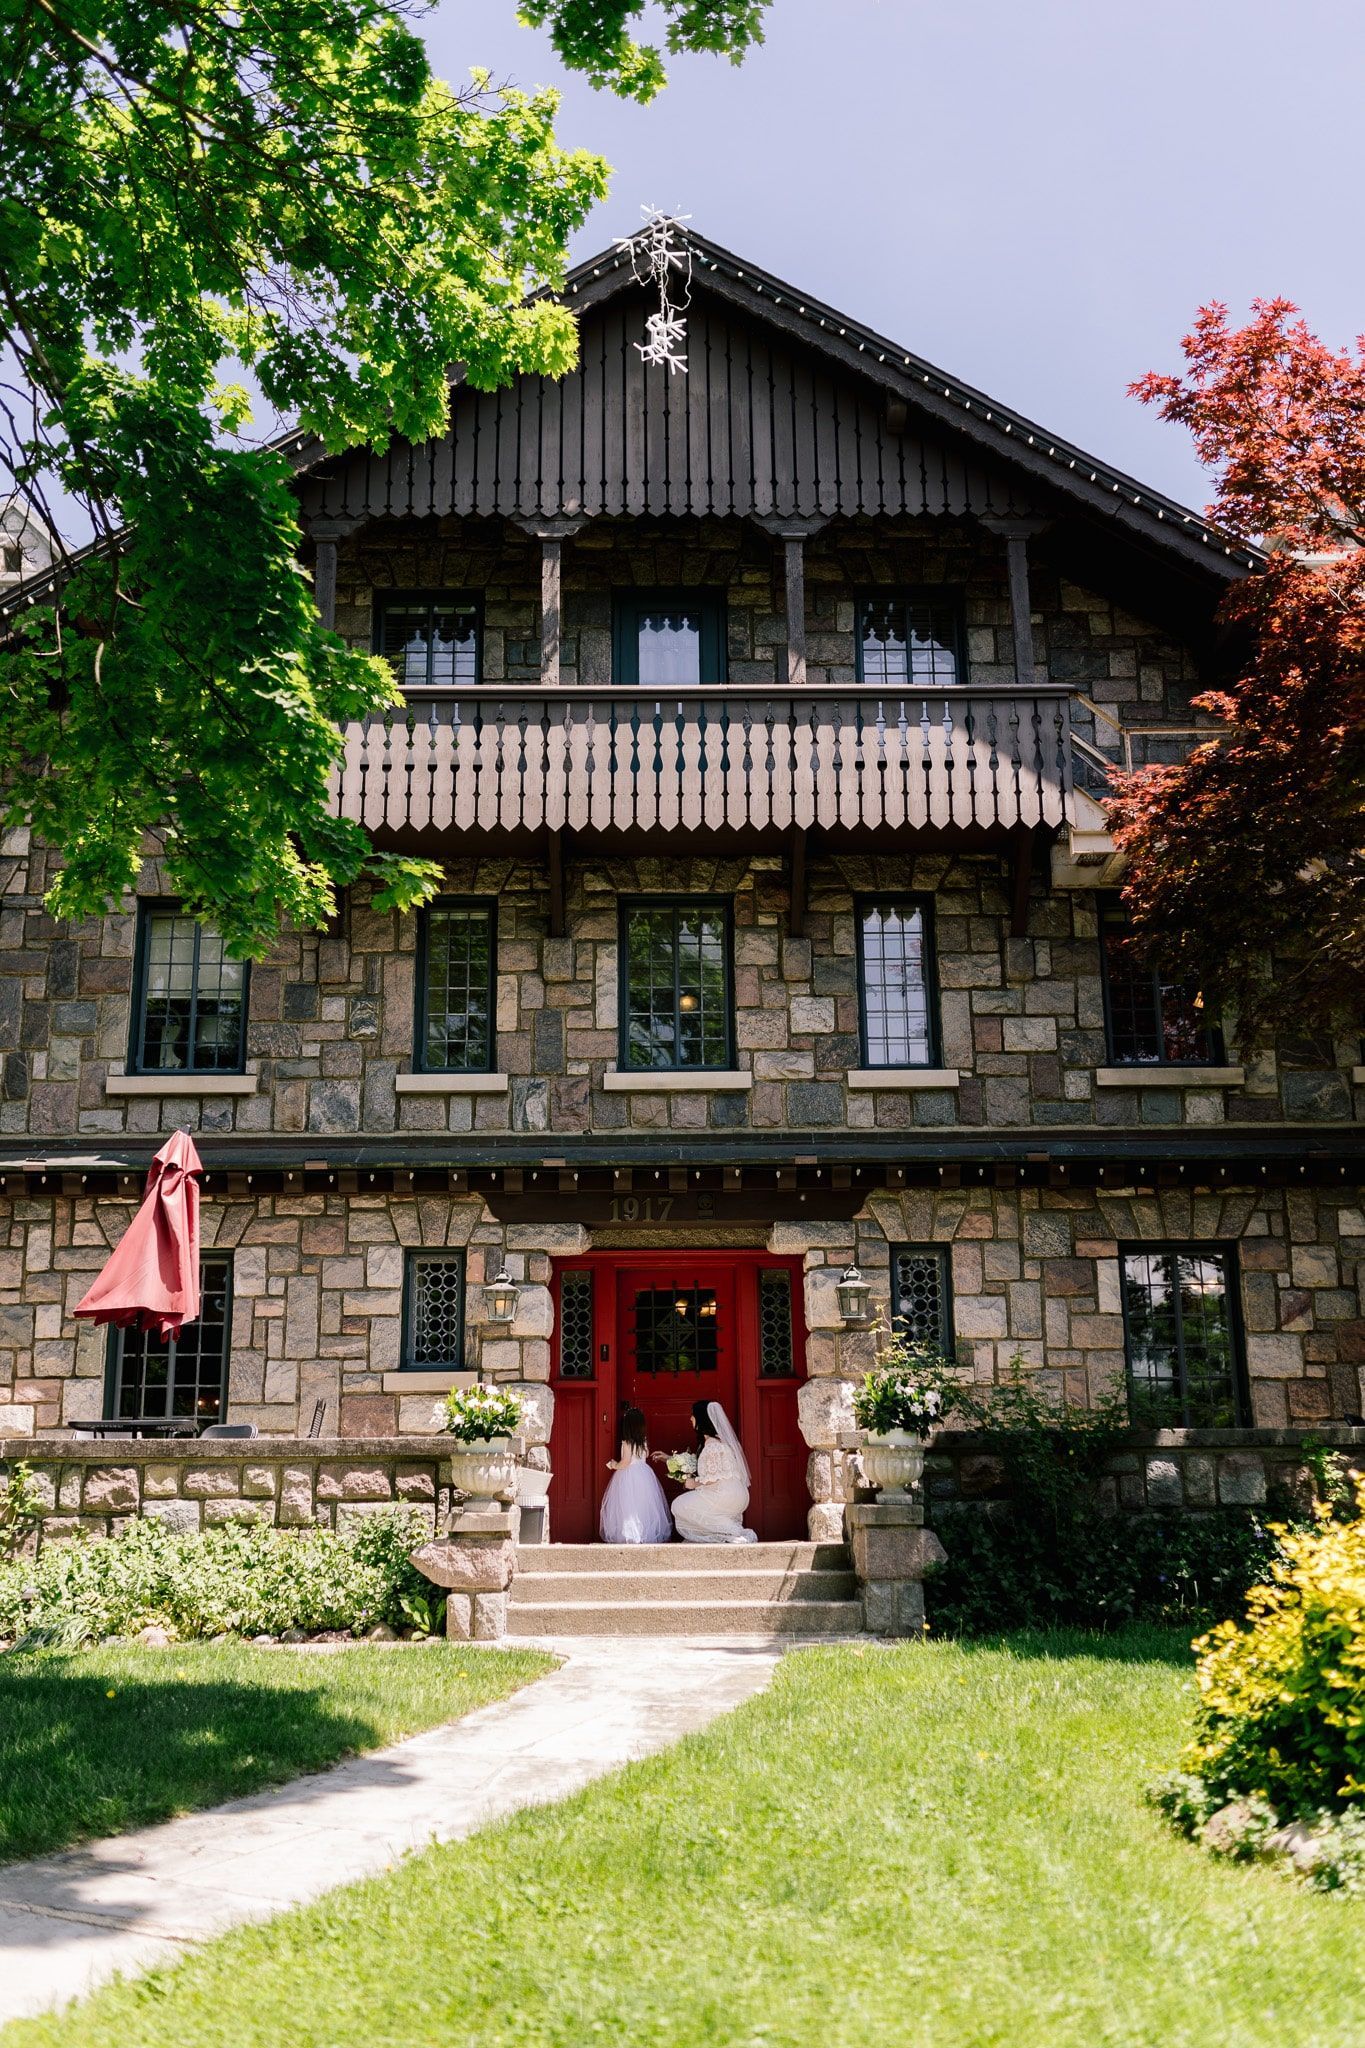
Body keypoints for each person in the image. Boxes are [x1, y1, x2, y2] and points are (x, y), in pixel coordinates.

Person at [670, 1399, 758, 1545]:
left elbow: (712, 1479)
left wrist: (692, 1483)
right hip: (739, 1493)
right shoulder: (724, 1443)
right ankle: (725, 1531)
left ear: (702, 1419)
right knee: (696, 1505)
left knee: (679, 1505)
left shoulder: (712, 1445)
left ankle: (733, 1532)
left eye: (693, 1415)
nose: (690, 1418)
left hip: (724, 1495)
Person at [599, 1405, 672, 1544]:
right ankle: (644, 1532)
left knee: (628, 1506)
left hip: (628, 1476)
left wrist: (614, 1465)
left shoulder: (626, 1443)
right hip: (643, 1475)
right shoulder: (643, 1442)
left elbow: (626, 1462)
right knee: (643, 1504)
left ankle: (631, 1535)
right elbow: (643, 1456)